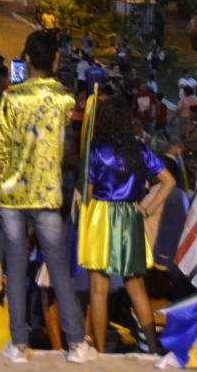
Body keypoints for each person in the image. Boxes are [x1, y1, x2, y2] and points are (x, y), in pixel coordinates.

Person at [0, 30, 94, 364]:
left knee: (16, 266)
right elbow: (75, 148)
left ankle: (19, 346)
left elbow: (1, 151)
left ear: (25, 60)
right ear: (56, 60)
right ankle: (78, 344)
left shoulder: (11, 98)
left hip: (12, 194)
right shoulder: (66, 100)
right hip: (48, 195)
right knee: (58, 269)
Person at [78, 95, 175, 354]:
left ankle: (99, 353)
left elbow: (87, 193)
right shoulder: (140, 149)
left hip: (101, 215)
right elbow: (169, 181)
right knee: (137, 289)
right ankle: (152, 349)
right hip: (131, 217)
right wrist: (146, 209)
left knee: (99, 289)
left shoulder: (96, 150)